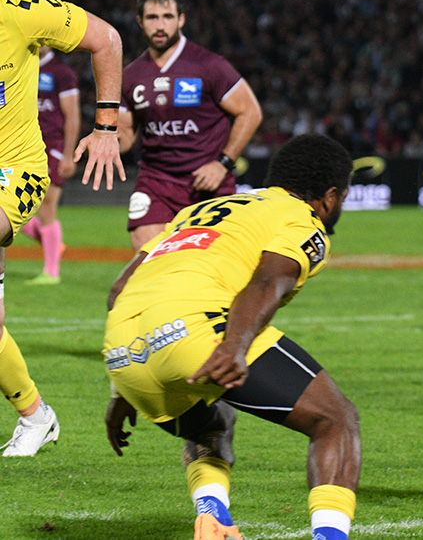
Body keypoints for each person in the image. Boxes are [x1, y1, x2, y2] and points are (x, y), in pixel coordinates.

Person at [104, 133, 360, 540]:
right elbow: (269, 280)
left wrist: (121, 388)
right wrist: (236, 346)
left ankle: (213, 516)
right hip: (194, 331)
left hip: (123, 352)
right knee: (335, 420)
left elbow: (120, 289)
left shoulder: (202, 210)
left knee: (212, 419)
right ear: (330, 196)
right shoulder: (301, 220)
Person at [0, 0, 125, 457]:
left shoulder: (18, 7)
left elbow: (107, 39)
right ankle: (36, 417)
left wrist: (106, 128)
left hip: (16, 170)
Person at [119, 0, 263, 252]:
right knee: (149, 261)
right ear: (140, 21)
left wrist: (222, 164)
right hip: (156, 182)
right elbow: (126, 135)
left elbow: (250, 112)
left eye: (167, 17)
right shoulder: (130, 76)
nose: (160, 25)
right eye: (152, 18)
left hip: (209, 184)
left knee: (210, 271)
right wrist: (105, 140)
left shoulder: (209, 65)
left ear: (181, 19)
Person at [19, 46, 82, 285]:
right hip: (22, 146)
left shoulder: (61, 72)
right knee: (15, 208)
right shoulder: (19, 63)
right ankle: (54, 244)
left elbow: (73, 115)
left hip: (51, 146)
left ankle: (51, 272)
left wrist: (68, 155)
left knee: (46, 206)